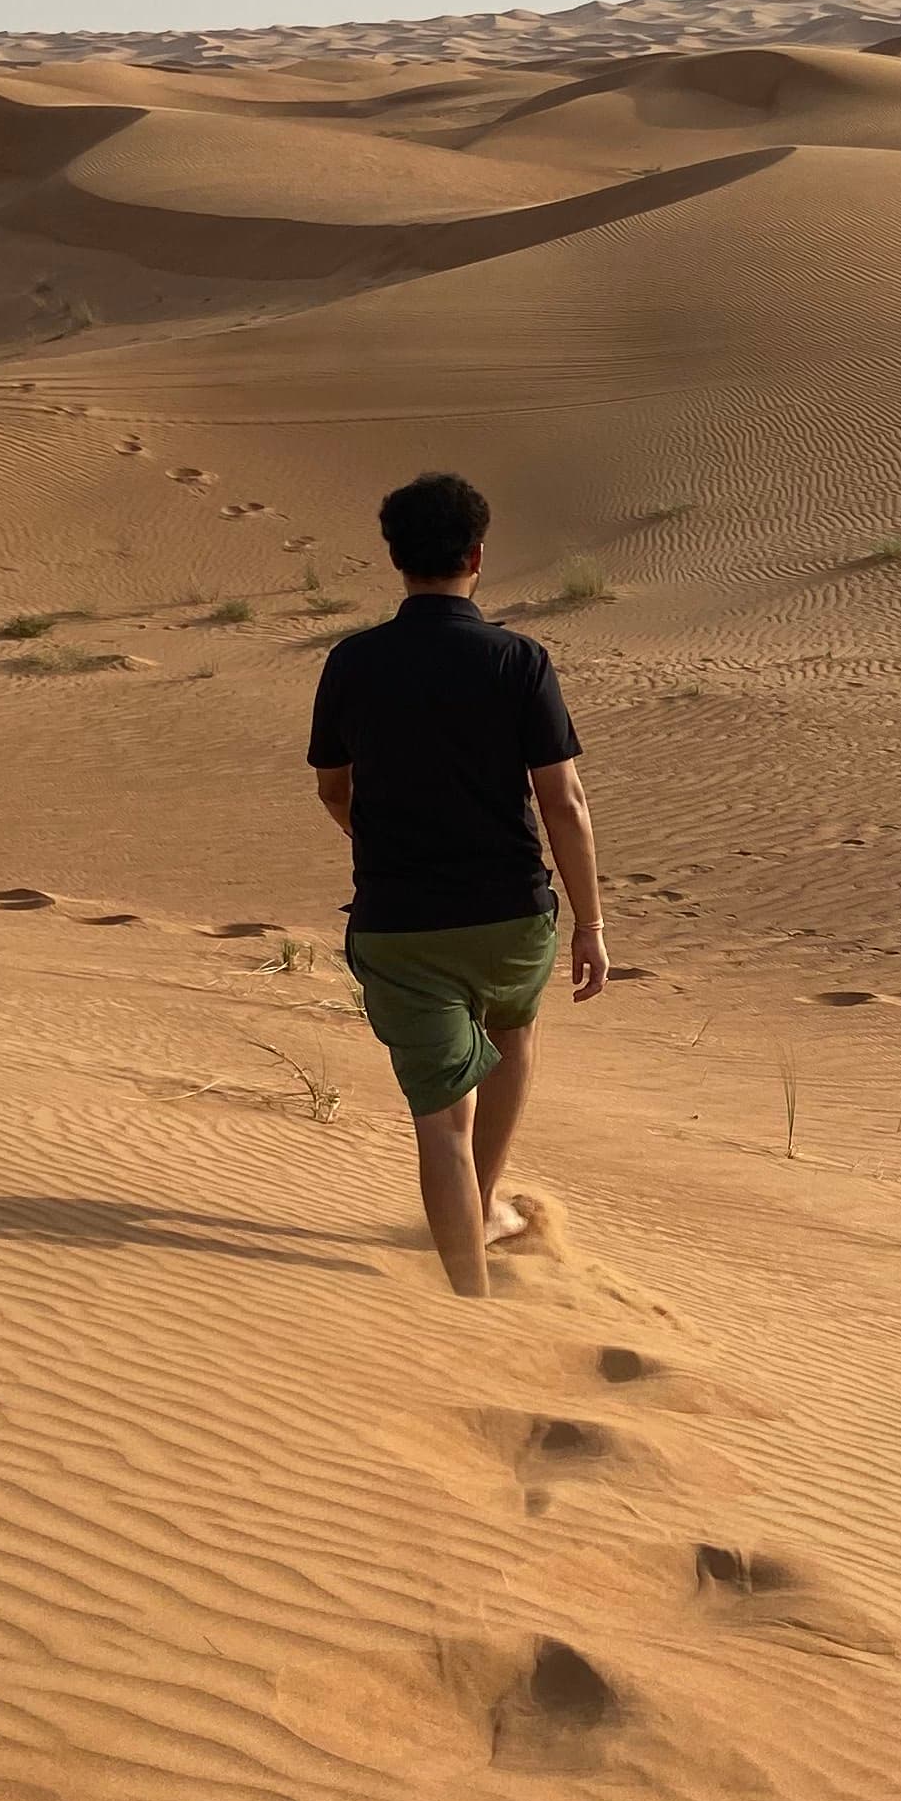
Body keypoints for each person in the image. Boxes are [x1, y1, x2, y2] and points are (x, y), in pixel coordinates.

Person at [308, 470, 608, 1298]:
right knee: (512, 1032)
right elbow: (565, 802)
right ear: (477, 555)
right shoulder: (518, 659)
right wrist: (590, 924)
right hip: (510, 912)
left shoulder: (352, 662)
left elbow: (332, 790)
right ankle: (478, 1215)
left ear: (396, 559)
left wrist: (385, 843)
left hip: (399, 921)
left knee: (442, 1120)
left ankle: (467, 1299)